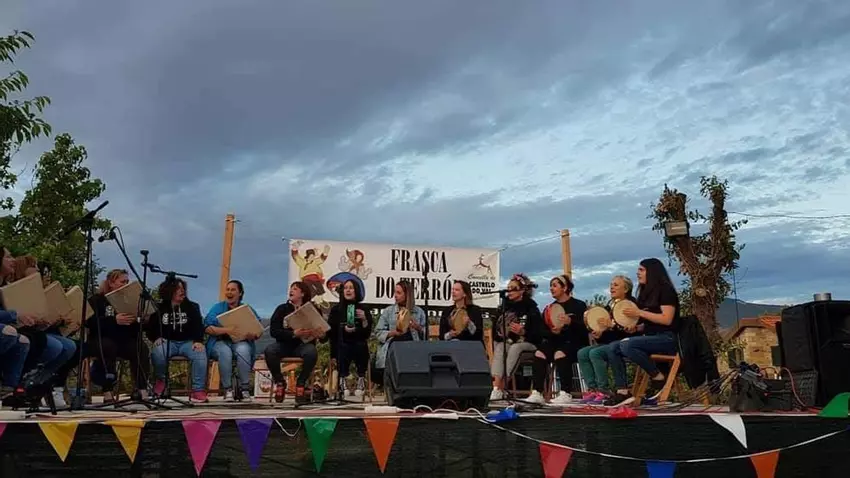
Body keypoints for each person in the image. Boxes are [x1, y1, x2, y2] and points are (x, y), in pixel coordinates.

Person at [0, 249, 75, 404]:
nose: (12, 260)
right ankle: (22, 385)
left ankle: (18, 388)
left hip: (24, 328)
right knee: (17, 335)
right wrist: (15, 315)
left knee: (70, 346)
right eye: (8, 257)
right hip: (13, 328)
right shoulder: (11, 289)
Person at [608, 258, 681, 406]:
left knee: (626, 345)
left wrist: (639, 312)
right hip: (650, 337)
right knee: (613, 347)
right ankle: (623, 391)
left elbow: (667, 319)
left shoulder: (666, 291)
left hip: (667, 339)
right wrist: (636, 328)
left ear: (652, 272)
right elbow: (649, 323)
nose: (638, 273)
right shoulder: (645, 293)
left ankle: (658, 376)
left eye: (641, 270)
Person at [79, 268, 152, 403]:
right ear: (111, 283)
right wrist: (114, 320)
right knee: (108, 346)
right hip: (101, 339)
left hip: (124, 340)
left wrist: (140, 319)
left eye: (127, 282)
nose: (125, 285)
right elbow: (90, 322)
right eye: (122, 282)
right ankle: (107, 390)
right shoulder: (97, 300)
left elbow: (138, 329)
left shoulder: (130, 301)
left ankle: (141, 388)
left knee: (141, 348)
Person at [526, 274, 588, 405]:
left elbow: (584, 328)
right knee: (539, 353)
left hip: (574, 342)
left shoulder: (579, 305)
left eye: (554, 286)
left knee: (560, 353)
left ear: (565, 288)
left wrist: (570, 322)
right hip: (555, 340)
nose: (551, 288)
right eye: (550, 286)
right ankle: (537, 392)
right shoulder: (549, 308)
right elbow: (542, 330)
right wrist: (552, 331)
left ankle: (566, 392)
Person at [577, 275, 639, 404]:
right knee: (582, 353)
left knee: (595, 353)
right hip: (609, 343)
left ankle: (603, 390)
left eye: (616, 285)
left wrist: (611, 326)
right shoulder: (610, 306)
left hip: (625, 343)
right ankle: (592, 389)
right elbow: (607, 333)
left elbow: (629, 330)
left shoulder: (630, 305)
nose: (611, 287)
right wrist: (599, 333)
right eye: (611, 285)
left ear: (626, 289)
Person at [146, 277, 208, 403]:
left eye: (183, 288)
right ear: (170, 291)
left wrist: (198, 340)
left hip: (188, 342)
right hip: (167, 341)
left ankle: (198, 390)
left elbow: (198, 325)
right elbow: (151, 327)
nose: (182, 291)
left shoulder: (192, 307)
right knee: (158, 352)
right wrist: (156, 337)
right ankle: (162, 381)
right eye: (178, 288)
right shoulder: (158, 308)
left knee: (200, 353)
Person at [264, 281, 325, 404]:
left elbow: (323, 334)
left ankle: (301, 383)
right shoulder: (282, 309)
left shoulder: (313, 309)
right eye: (291, 289)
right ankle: (280, 382)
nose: (291, 291)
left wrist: (321, 334)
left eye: (295, 289)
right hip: (284, 345)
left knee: (311, 352)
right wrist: (293, 333)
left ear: (303, 293)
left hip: (304, 345)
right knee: (270, 351)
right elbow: (274, 331)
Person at [204, 280, 261, 401]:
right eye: (228, 289)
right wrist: (227, 330)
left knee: (244, 349)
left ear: (240, 293)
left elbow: (258, 330)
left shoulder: (246, 309)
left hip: (240, 341)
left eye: (233, 290)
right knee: (225, 352)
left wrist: (253, 335)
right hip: (219, 342)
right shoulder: (218, 307)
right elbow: (207, 327)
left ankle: (245, 389)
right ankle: (227, 389)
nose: (229, 292)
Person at [489, 273, 541, 401]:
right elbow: (495, 329)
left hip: (529, 342)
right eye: (508, 288)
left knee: (515, 348)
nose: (509, 291)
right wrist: (502, 334)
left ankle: (502, 386)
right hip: (508, 341)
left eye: (513, 288)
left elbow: (538, 334)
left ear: (522, 291)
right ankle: (495, 388)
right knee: (501, 347)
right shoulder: (504, 307)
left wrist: (523, 332)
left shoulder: (531, 308)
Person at [372, 281, 427, 386]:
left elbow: (425, 335)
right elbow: (378, 332)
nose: (395, 296)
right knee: (397, 346)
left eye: (399, 293)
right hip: (394, 344)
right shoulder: (389, 311)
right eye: (395, 292)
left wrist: (417, 327)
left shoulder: (419, 312)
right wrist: (393, 333)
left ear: (407, 295)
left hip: (413, 345)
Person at [327, 279, 372, 397]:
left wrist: (364, 319)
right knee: (342, 346)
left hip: (358, 343)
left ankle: (361, 379)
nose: (348, 290)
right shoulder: (336, 310)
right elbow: (332, 334)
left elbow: (367, 334)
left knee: (360, 345)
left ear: (356, 290)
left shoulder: (363, 308)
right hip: (342, 344)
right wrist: (332, 354)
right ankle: (342, 380)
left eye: (351, 288)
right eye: (346, 288)